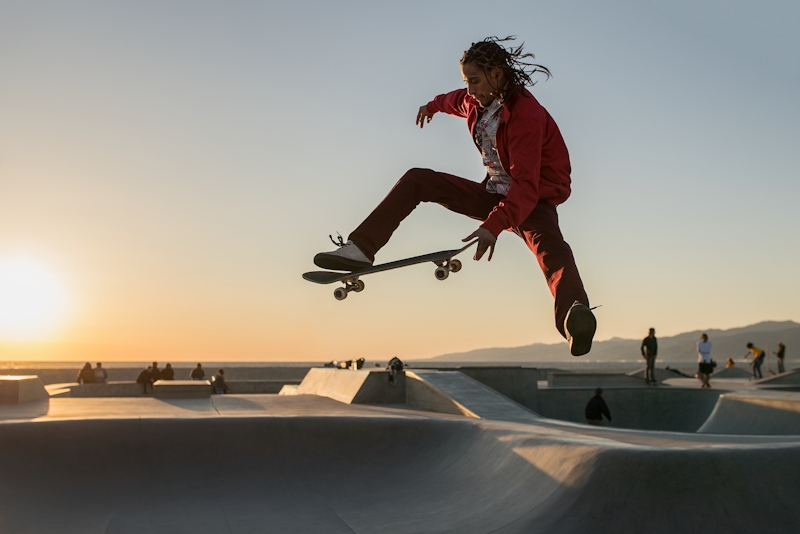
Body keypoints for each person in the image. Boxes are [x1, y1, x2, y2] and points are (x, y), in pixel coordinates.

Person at [312, 36, 597, 356]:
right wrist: (431, 106)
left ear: (498, 75)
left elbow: (527, 185)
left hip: (533, 201)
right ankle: (361, 249)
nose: (471, 89)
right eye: (466, 81)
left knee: (552, 251)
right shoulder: (473, 101)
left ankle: (575, 317)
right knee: (416, 180)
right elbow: (453, 100)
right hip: (491, 192)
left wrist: (493, 226)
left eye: (475, 80)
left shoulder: (525, 116)